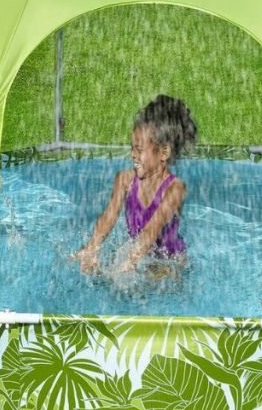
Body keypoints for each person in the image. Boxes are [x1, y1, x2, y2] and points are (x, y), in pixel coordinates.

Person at [73, 95, 197, 275]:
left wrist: (129, 261)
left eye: (139, 149)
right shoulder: (124, 180)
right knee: (97, 271)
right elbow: (108, 216)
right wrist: (92, 247)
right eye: (132, 148)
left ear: (163, 153)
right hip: (142, 255)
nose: (132, 154)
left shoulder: (175, 189)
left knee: (158, 275)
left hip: (170, 262)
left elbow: (151, 230)